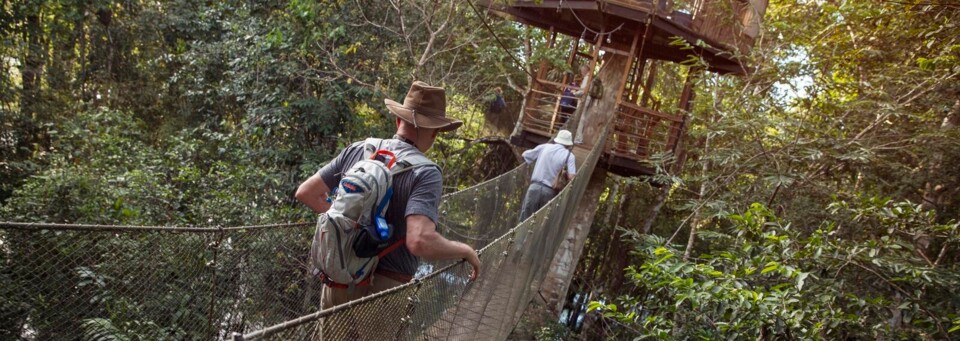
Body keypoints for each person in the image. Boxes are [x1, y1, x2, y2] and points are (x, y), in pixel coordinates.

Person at [295, 81, 482, 311]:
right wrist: (465, 250)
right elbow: (419, 240)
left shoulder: (359, 150)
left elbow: (306, 193)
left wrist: (349, 227)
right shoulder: (426, 172)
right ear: (434, 133)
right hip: (383, 294)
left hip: (339, 281)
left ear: (397, 120)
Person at [518, 129, 577, 222]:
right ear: (569, 144)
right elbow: (572, 178)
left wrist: (527, 175)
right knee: (541, 223)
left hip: (534, 188)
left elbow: (525, 155)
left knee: (524, 222)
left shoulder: (544, 147)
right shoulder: (570, 156)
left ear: (557, 139)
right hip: (550, 193)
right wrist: (564, 174)